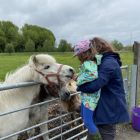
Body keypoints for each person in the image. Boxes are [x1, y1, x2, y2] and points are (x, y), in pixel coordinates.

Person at [77, 37, 130, 140]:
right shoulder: (105, 60)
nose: (89, 52)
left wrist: (79, 86)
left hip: (108, 109)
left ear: (97, 48)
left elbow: (95, 85)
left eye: (90, 49)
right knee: (93, 131)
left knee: (106, 134)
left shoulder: (108, 63)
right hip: (104, 107)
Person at [74, 39, 102, 135]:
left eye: (78, 54)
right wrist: (79, 76)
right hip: (87, 97)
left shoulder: (88, 63)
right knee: (83, 115)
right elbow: (87, 74)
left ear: (83, 54)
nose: (77, 57)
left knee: (88, 122)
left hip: (90, 98)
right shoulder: (91, 62)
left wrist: (78, 80)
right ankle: (93, 135)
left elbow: (92, 75)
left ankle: (97, 137)